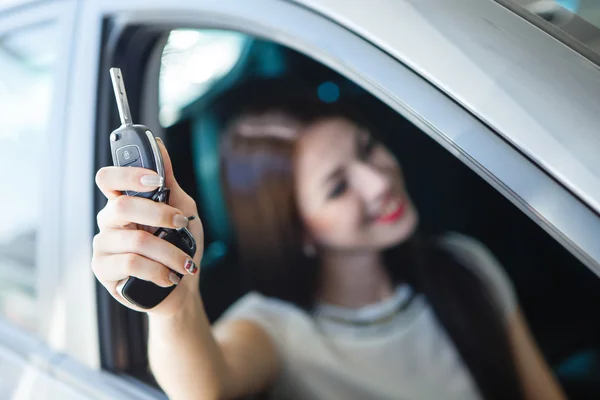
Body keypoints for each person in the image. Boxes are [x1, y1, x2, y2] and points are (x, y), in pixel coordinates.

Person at [92, 84, 568, 400]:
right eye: (338, 187)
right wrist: (173, 306)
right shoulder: (273, 329)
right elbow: (203, 388)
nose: (378, 181)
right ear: (295, 229)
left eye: (367, 149)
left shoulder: (463, 264)